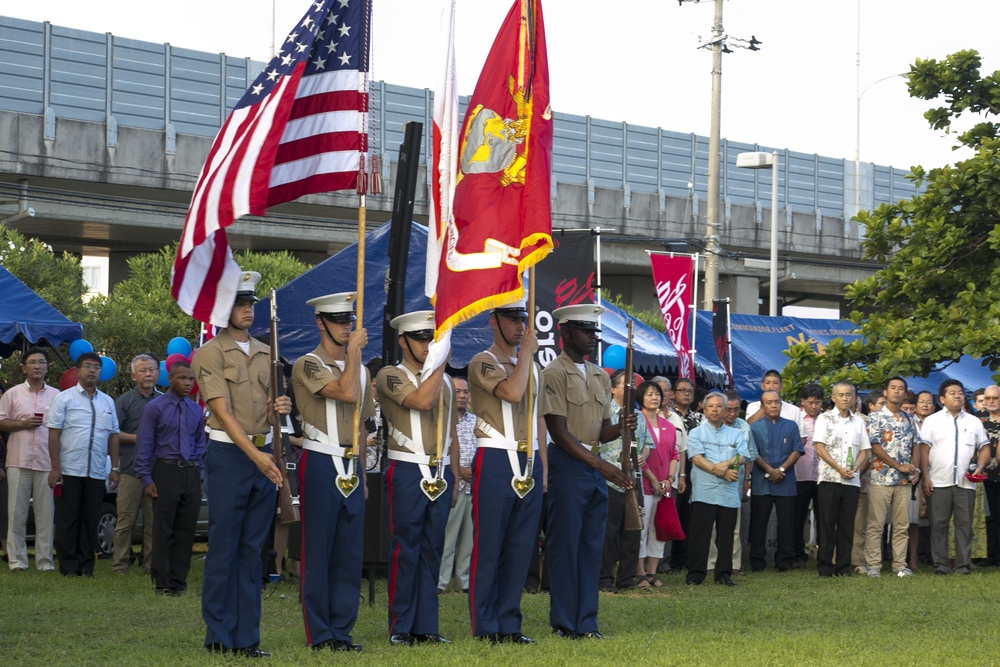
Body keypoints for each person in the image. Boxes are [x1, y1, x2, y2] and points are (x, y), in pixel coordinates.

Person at [192, 269, 292, 658]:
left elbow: (266, 412)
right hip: (231, 456)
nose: (248, 310)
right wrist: (259, 458)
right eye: (240, 304)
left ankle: (248, 637)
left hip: (263, 453)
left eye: (250, 303)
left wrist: (278, 410)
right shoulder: (209, 353)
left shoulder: (269, 352)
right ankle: (219, 634)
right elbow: (222, 409)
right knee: (224, 547)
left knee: (253, 551)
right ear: (222, 310)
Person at [541, 304, 632, 640]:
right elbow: (559, 433)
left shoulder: (599, 376)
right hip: (570, 465)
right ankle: (565, 621)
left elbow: (603, 431)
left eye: (595, 331)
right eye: (585, 331)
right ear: (565, 332)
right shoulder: (554, 374)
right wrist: (603, 466)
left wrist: (622, 426)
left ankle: (587, 621)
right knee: (565, 546)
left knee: (592, 547)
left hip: (593, 466)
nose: (593, 338)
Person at [291, 292, 373, 652]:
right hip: (321, 459)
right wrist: (353, 354)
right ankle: (320, 633)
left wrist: (365, 477)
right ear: (320, 323)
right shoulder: (307, 364)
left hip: (352, 464)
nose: (345, 327)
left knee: (348, 554)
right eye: (339, 321)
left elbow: (363, 425)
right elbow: (345, 391)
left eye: (349, 322)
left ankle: (342, 630)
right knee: (319, 550)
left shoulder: (363, 369)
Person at [376, 310, 459, 646]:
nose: (428, 345)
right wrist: (440, 363)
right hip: (408, 468)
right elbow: (421, 401)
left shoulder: (448, 381)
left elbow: (451, 428)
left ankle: (426, 625)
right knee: (405, 549)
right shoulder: (389, 375)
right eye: (422, 339)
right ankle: (401, 625)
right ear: (403, 342)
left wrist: (452, 473)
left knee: (432, 551)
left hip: (439, 469)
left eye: (432, 339)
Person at [467, 298, 546, 644]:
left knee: (520, 547)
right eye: (512, 319)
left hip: (528, 459)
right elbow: (512, 394)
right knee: (490, 546)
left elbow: (538, 417)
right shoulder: (483, 362)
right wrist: (527, 354)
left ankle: (509, 622)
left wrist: (544, 468)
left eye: (522, 319)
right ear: (493, 322)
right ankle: (486, 625)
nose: (520, 326)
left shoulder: (530, 365)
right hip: (497, 456)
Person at [132, 360, 206, 596]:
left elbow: (200, 445)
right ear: (170, 379)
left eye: (191, 379)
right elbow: (144, 445)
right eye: (183, 378)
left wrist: (200, 475)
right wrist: (146, 478)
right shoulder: (155, 408)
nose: (187, 383)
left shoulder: (195, 409)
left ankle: (179, 581)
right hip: (166, 470)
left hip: (190, 471)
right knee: (163, 528)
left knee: (186, 529)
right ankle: (162, 582)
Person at [47, 351, 121, 577]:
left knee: (90, 520)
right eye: (87, 366)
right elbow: (53, 434)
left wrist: (115, 468)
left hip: (97, 471)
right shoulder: (64, 398)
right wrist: (55, 467)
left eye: (96, 367)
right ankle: (68, 567)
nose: (92, 370)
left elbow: (114, 436)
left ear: (100, 372)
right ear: (77, 371)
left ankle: (86, 566)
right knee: (68, 519)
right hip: (69, 470)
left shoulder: (107, 401)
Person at [920, 379, 989, 575]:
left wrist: (981, 466)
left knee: (964, 526)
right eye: (953, 393)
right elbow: (924, 450)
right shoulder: (932, 421)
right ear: (942, 398)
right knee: (938, 525)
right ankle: (940, 565)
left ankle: (962, 565)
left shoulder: (974, 421)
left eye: (960, 392)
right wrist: (925, 476)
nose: (958, 395)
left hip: (966, 482)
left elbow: (984, 447)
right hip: (938, 481)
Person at [0, 347, 60, 571]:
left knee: (46, 515)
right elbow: (1, 421)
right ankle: (17, 561)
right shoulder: (12, 394)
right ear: (24, 368)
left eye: (41, 362)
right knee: (16, 513)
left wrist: (58, 465)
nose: (37, 366)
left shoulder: (57, 396)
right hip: (18, 461)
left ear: (47, 367)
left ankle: (45, 562)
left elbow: (62, 429)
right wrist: (22, 424)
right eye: (33, 362)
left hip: (46, 462)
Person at [685, 391, 750, 586]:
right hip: (704, 491)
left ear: (725, 410)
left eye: (719, 406)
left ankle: (723, 574)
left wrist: (727, 463)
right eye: (711, 406)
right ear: (704, 409)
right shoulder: (696, 432)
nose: (715, 409)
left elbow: (743, 456)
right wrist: (721, 471)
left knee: (727, 535)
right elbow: (696, 459)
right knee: (700, 534)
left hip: (728, 492)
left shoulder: (736, 433)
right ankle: (695, 573)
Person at [864, 377, 922, 578]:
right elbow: (875, 446)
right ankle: (873, 565)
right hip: (881, 478)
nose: (897, 392)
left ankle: (899, 566)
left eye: (901, 389)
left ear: (905, 394)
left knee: (902, 525)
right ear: (885, 392)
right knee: (876, 524)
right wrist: (898, 466)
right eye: (893, 388)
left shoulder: (908, 418)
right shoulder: (875, 417)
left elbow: (916, 443)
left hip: (904, 481)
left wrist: (913, 468)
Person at [813, 381, 869, 577]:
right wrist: (839, 468)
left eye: (849, 395)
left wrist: (854, 468)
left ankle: (843, 566)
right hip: (829, 479)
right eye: (841, 395)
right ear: (833, 397)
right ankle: (825, 566)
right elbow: (820, 447)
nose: (845, 398)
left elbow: (865, 450)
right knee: (827, 524)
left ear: (854, 398)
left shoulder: (859, 422)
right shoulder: (824, 419)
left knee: (847, 525)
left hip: (851, 480)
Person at [598, 369, 645, 593]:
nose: (630, 389)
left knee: (632, 531)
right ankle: (604, 579)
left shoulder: (639, 415)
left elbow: (644, 446)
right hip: (609, 478)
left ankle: (626, 579)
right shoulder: (604, 411)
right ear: (613, 388)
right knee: (608, 533)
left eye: (633, 385)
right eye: (626, 384)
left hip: (632, 480)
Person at [111, 354, 159, 575]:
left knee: (152, 523)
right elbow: (113, 434)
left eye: (152, 369)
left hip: (156, 471)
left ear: (158, 373)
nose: (148, 374)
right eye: (143, 370)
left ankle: (150, 566)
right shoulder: (124, 401)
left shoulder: (164, 400)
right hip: (130, 471)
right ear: (133, 376)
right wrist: (138, 438)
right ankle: (120, 565)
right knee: (125, 521)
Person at [748, 390, 803, 572]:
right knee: (758, 524)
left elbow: (796, 450)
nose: (773, 405)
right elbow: (753, 453)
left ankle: (785, 562)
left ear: (781, 404)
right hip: (761, 482)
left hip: (785, 482)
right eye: (769, 402)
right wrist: (770, 470)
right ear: (762, 406)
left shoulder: (791, 426)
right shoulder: (755, 427)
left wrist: (780, 470)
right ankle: (757, 562)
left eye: (776, 402)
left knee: (787, 524)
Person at [636, 381, 676, 588]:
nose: (655, 398)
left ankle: (652, 571)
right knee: (641, 528)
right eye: (650, 394)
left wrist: (669, 479)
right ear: (640, 397)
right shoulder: (637, 422)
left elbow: (674, 454)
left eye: (657, 394)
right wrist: (652, 479)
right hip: (643, 484)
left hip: (663, 486)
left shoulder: (668, 426)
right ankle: (639, 572)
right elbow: (637, 455)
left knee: (658, 529)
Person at [438, 376, 475, 595]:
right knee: (448, 537)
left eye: (465, 392)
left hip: (474, 484)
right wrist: (459, 471)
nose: (462, 396)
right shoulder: (442, 417)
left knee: (469, 538)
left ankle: (464, 583)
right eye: (457, 391)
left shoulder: (475, 420)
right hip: (453, 483)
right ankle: (441, 582)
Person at [668, 377, 701, 571]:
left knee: (690, 513)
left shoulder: (699, 418)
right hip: (674, 467)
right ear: (673, 393)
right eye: (682, 390)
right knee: (674, 511)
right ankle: (671, 557)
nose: (686, 393)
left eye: (690, 391)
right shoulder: (668, 415)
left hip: (695, 466)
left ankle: (686, 556)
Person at [793, 383, 823, 568]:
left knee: (824, 517)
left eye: (817, 402)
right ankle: (798, 554)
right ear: (802, 402)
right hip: (800, 474)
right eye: (810, 402)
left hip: (822, 476)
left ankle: (822, 553)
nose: (814, 406)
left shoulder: (827, 419)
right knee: (798, 517)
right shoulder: (797, 419)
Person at [980, 386, 1000, 566]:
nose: (992, 401)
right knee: (988, 517)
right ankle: (988, 555)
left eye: (996, 398)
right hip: (985, 476)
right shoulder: (977, 421)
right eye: (988, 398)